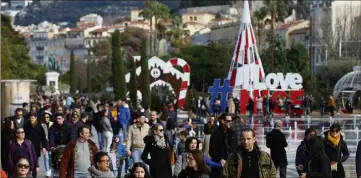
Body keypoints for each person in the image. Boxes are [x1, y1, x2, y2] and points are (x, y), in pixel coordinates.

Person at [209, 113, 233, 178]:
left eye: (231, 120)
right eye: (228, 121)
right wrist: (220, 159)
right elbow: (211, 151)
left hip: (230, 166)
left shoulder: (231, 133)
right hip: (218, 167)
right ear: (222, 121)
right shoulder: (215, 134)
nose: (230, 122)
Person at [23, 112, 47, 178]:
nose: (31, 119)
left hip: (36, 147)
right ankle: (25, 174)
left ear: (36, 118)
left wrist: (44, 147)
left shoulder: (39, 126)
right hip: (27, 146)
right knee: (27, 161)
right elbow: (23, 136)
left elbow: (43, 137)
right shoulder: (26, 126)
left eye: (33, 118)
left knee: (35, 161)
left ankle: (34, 175)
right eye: (30, 118)